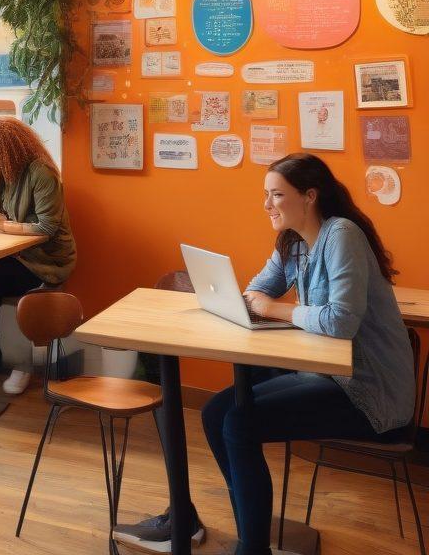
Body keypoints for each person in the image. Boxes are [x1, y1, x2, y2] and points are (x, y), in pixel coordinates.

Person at [116, 153, 414, 555]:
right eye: (266, 194)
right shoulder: (295, 242)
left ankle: (252, 547)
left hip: (368, 392)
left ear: (309, 196)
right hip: (329, 375)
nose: (266, 205)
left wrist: (272, 308)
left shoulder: (341, 234)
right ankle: (248, 531)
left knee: (239, 424)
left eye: (276, 195)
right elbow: (257, 290)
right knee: (214, 413)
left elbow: (340, 320)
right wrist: (243, 301)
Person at [0, 119, 77, 396]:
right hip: (15, 253)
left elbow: (47, 228)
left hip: (47, 259)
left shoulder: (41, 173)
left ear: (9, 150)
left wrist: (4, 226)